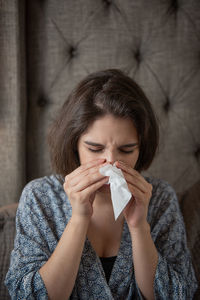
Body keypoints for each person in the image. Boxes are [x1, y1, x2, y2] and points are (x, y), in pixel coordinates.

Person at [5, 69, 198, 299]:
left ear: (142, 147)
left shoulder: (159, 198)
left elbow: (178, 294)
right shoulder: (39, 197)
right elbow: (28, 295)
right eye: (95, 149)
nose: (112, 163)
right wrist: (78, 218)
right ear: (74, 144)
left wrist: (139, 227)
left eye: (127, 150)